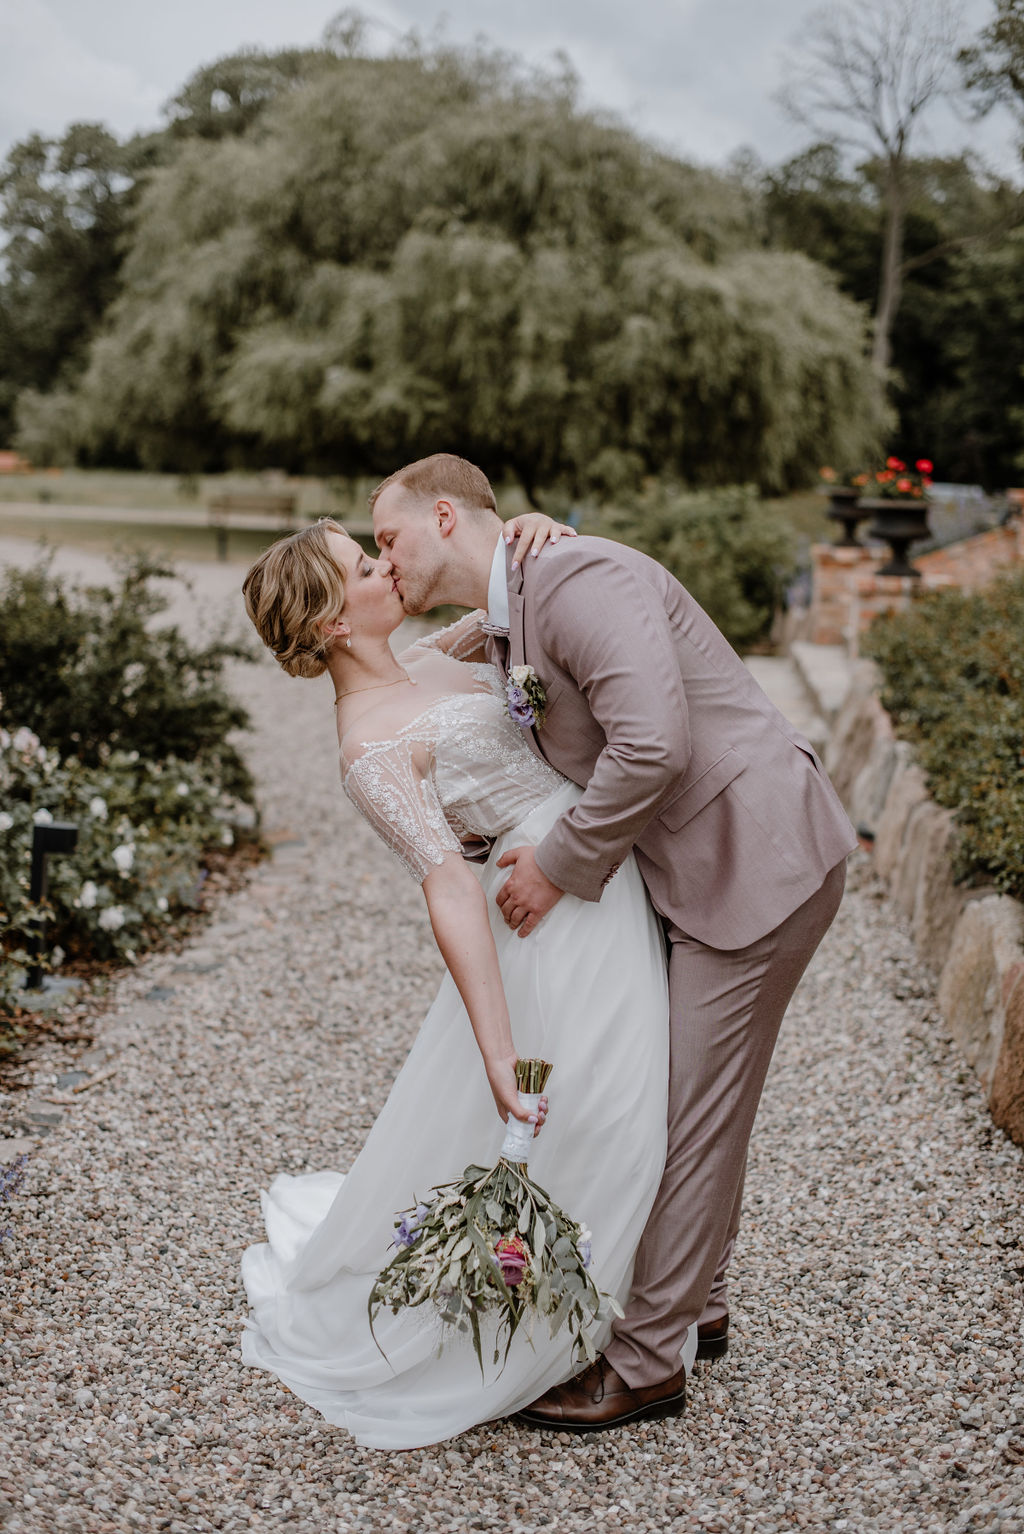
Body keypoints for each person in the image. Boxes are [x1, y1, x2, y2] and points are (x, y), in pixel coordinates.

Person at [370, 453, 858, 1433]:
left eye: (387, 539)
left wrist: (556, 863)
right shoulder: (516, 606)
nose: (384, 563)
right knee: (687, 1095)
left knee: (690, 1110)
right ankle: (697, 1306)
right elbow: (561, 735)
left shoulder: (577, 578)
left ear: (445, 517)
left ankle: (644, 1365)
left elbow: (652, 745)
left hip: (750, 855)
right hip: (700, 866)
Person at [238, 513, 677, 1451]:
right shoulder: (369, 751)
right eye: (364, 566)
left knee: (634, 1093)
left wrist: (535, 531)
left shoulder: (436, 654)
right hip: (549, 922)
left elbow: (514, 592)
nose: (386, 565)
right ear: (328, 625)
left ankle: (643, 1298)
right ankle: (569, 1311)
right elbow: (447, 887)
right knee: (601, 1101)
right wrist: (497, 1050)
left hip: (591, 875)